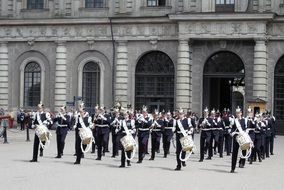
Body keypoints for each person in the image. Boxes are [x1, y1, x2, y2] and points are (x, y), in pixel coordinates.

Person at [230, 106, 246, 173]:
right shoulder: (234, 120)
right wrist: (231, 132)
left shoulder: (243, 120)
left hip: (241, 137)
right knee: (234, 153)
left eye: (239, 113)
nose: (238, 114)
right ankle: (232, 168)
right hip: (236, 137)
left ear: (241, 113)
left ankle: (241, 163)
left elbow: (244, 128)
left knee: (244, 150)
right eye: (237, 113)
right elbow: (232, 128)